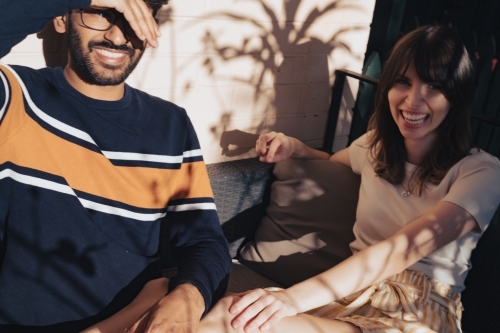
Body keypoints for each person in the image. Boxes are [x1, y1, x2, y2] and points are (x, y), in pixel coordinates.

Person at [195, 25, 500, 333]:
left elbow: (403, 248)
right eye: (403, 82)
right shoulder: (375, 147)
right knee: (229, 314)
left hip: (419, 312)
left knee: (255, 324)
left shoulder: (481, 172)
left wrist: (291, 299)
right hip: (350, 297)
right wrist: (294, 147)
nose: (412, 100)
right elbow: (331, 160)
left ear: (456, 96)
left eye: (433, 86)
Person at [0, 0, 231, 332]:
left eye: (134, 17)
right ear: (63, 18)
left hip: (136, 320)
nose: (118, 36)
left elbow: (205, 241)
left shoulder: (170, 123)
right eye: (101, 13)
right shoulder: (17, 96)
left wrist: (189, 297)